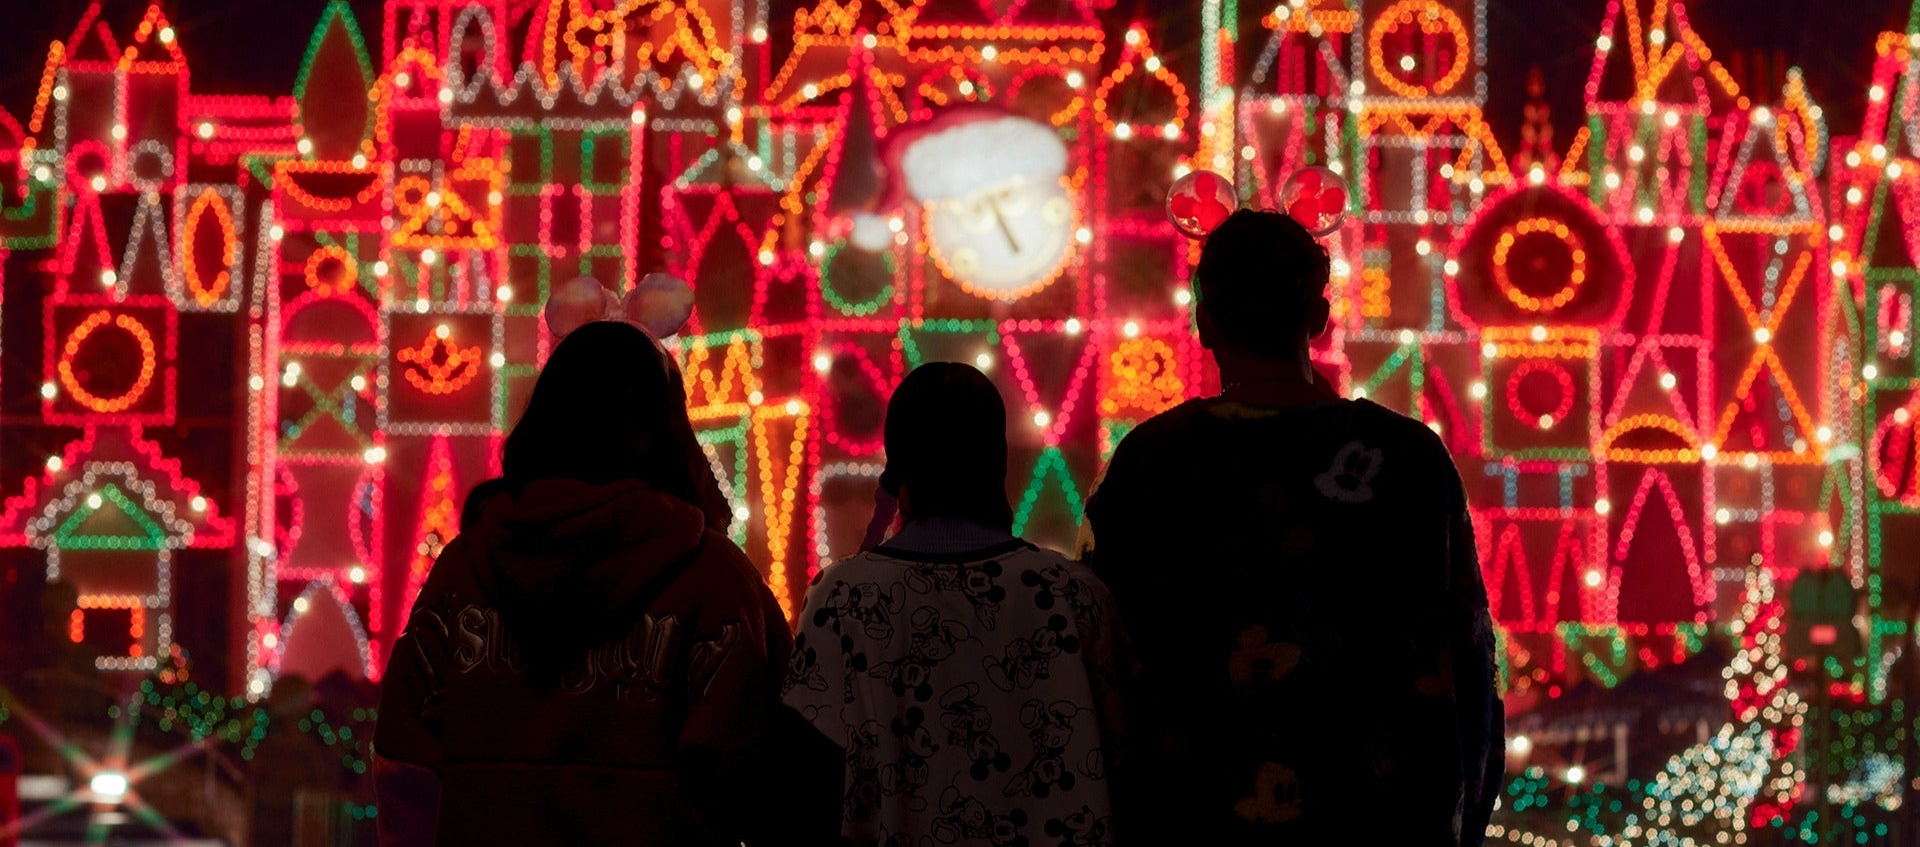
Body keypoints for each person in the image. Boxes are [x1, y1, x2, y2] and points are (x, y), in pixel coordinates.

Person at [1081, 209, 1503, 845]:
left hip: (1194, 817)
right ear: (1318, 318)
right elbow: (1468, 658)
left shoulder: (1152, 463)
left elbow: (1105, 671)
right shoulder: (1409, 459)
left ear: (1205, 322)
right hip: (1377, 821)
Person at [374, 320, 791, 846]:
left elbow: (403, 758)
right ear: (663, 429)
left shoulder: (464, 570)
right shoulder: (716, 580)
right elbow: (763, 767)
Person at [783, 362, 1127, 847]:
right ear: (999, 459)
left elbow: (807, 787)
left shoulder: (843, 600)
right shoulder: (1077, 597)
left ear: (897, 467)